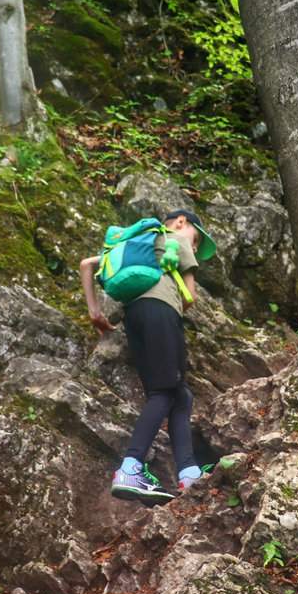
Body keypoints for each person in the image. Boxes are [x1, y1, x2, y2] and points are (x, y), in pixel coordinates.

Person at [79, 209, 217, 505]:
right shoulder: (175, 240)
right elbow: (189, 297)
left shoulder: (137, 242)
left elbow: (86, 264)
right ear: (182, 223)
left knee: (181, 395)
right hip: (161, 311)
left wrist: (95, 312)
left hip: (135, 316)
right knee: (164, 394)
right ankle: (130, 469)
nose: (194, 247)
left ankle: (189, 472)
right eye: (197, 240)